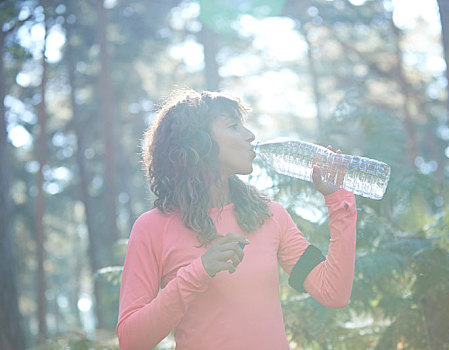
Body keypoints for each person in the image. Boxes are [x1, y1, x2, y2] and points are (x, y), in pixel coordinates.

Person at [116, 89, 357, 349]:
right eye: (233, 126)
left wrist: (338, 201)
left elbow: (333, 292)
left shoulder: (270, 215)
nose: (250, 135)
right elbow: (131, 340)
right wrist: (198, 272)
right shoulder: (153, 228)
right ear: (199, 143)